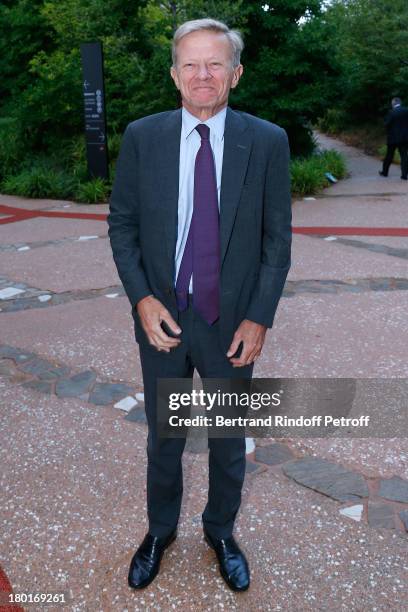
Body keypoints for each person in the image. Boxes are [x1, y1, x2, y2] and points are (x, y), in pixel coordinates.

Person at [107, 18, 292, 592]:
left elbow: (275, 241)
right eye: (191, 63)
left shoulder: (266, 141)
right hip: (163, 316)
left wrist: (259, 316)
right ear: (174, 74)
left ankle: (220, 531)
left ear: (235, 73)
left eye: (215, 63)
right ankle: (160, 531)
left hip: (231, 320)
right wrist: (140, 299)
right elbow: (123, 224)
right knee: (164, 433)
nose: (203, 74)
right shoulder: (144, 136)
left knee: (226, 437)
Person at [379, 97, 408, 180]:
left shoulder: (391, 112)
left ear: (394, 103)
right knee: (404, 156)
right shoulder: (406, 110)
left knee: (389, 155)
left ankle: (385, 172)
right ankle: (404, 175)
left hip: (393, 138)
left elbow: (386, 124)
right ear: (400, 102)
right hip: (404, 138)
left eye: (392, 103)